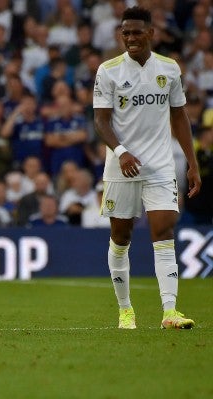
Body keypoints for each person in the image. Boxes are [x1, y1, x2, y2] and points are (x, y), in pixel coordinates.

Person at [93, 6, 202, 330]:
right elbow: (100, 120)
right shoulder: (108, 70)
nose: (130, 38)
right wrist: (123, 152)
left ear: (151, 33)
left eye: (136, 32)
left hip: (159, 166)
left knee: (164, 231)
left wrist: (192, 163)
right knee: (121, 236)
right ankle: (126, 310)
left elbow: (179, 117)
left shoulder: (169, 69)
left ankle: (170, 311)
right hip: (120, 167)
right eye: (125, 33)